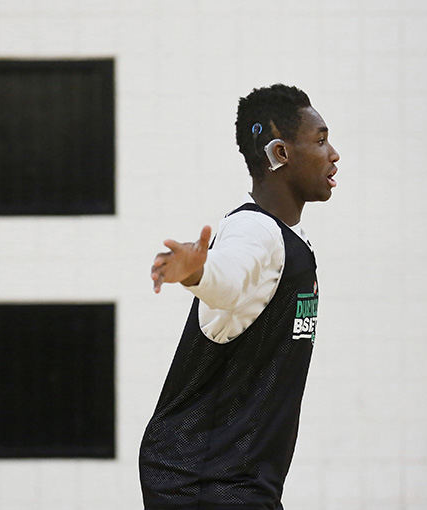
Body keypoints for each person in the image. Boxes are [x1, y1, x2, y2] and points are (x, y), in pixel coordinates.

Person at [138, 84, 340, 510]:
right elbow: (229, 277)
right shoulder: (255, 231)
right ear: (281, 154)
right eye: (320, 141)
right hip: (205, 484)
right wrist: (198, 272)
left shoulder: (288, 238)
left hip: (231, 483)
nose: (333, 154)